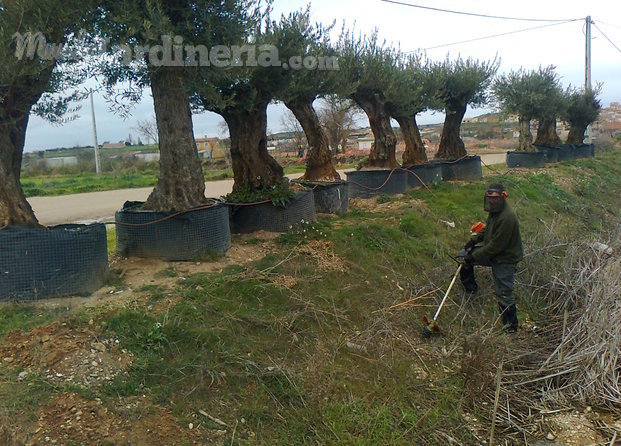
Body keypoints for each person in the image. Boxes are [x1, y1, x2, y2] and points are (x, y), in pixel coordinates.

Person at [461, 183, 524, 333]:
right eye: (490, 198)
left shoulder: (507, 217)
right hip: (493, 252)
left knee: (504, 292)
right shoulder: (495, 211)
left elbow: (496, 246)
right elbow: (487, 230)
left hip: (505, 258)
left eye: (495, 198)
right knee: (463, 256)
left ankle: (510, 328)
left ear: (503, 197)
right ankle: (471, 291)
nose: (492, 201)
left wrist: (474, 256)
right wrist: (474, 241)